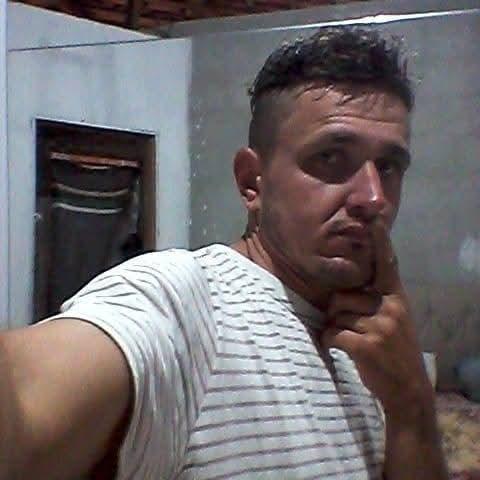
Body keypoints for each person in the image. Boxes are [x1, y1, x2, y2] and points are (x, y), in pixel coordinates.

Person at [0, 27, 448, 480]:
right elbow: (24, 404)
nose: (373, 198)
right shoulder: (182, 303)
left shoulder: (377, 349)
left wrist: (411, 403)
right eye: (331, 158)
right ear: (252, 182)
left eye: (388, 167)